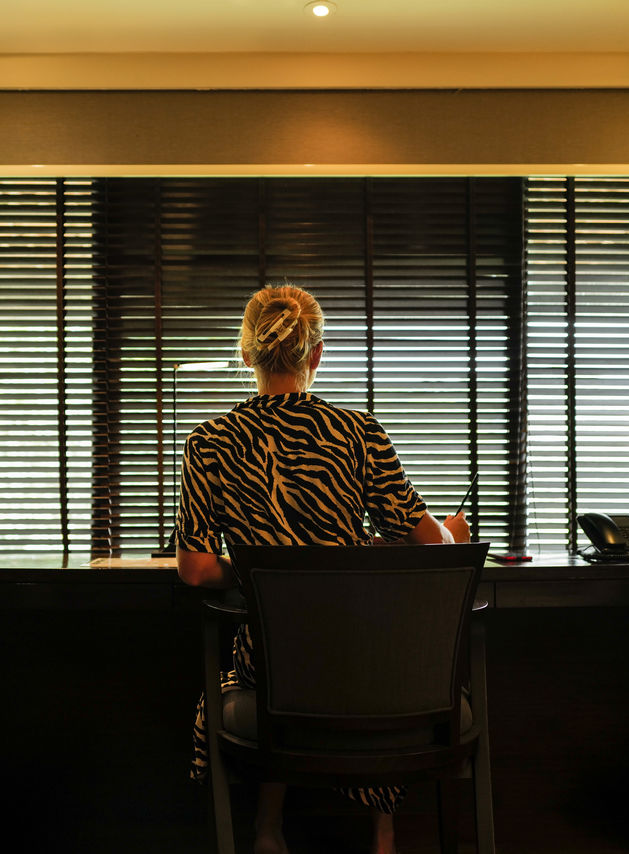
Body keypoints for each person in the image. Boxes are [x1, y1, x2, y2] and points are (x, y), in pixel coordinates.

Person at [179, 284, 470, 854]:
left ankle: (267, 828)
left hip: (275, 674)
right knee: (371, 645)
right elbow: (429, 540)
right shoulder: (357, 433)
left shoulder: (208, 442)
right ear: (316, 355)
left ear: (246, 354)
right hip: (368, 672)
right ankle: (383, 835)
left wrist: (262, 577)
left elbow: (193, 570)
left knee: (275, 649)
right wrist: (448, 532)